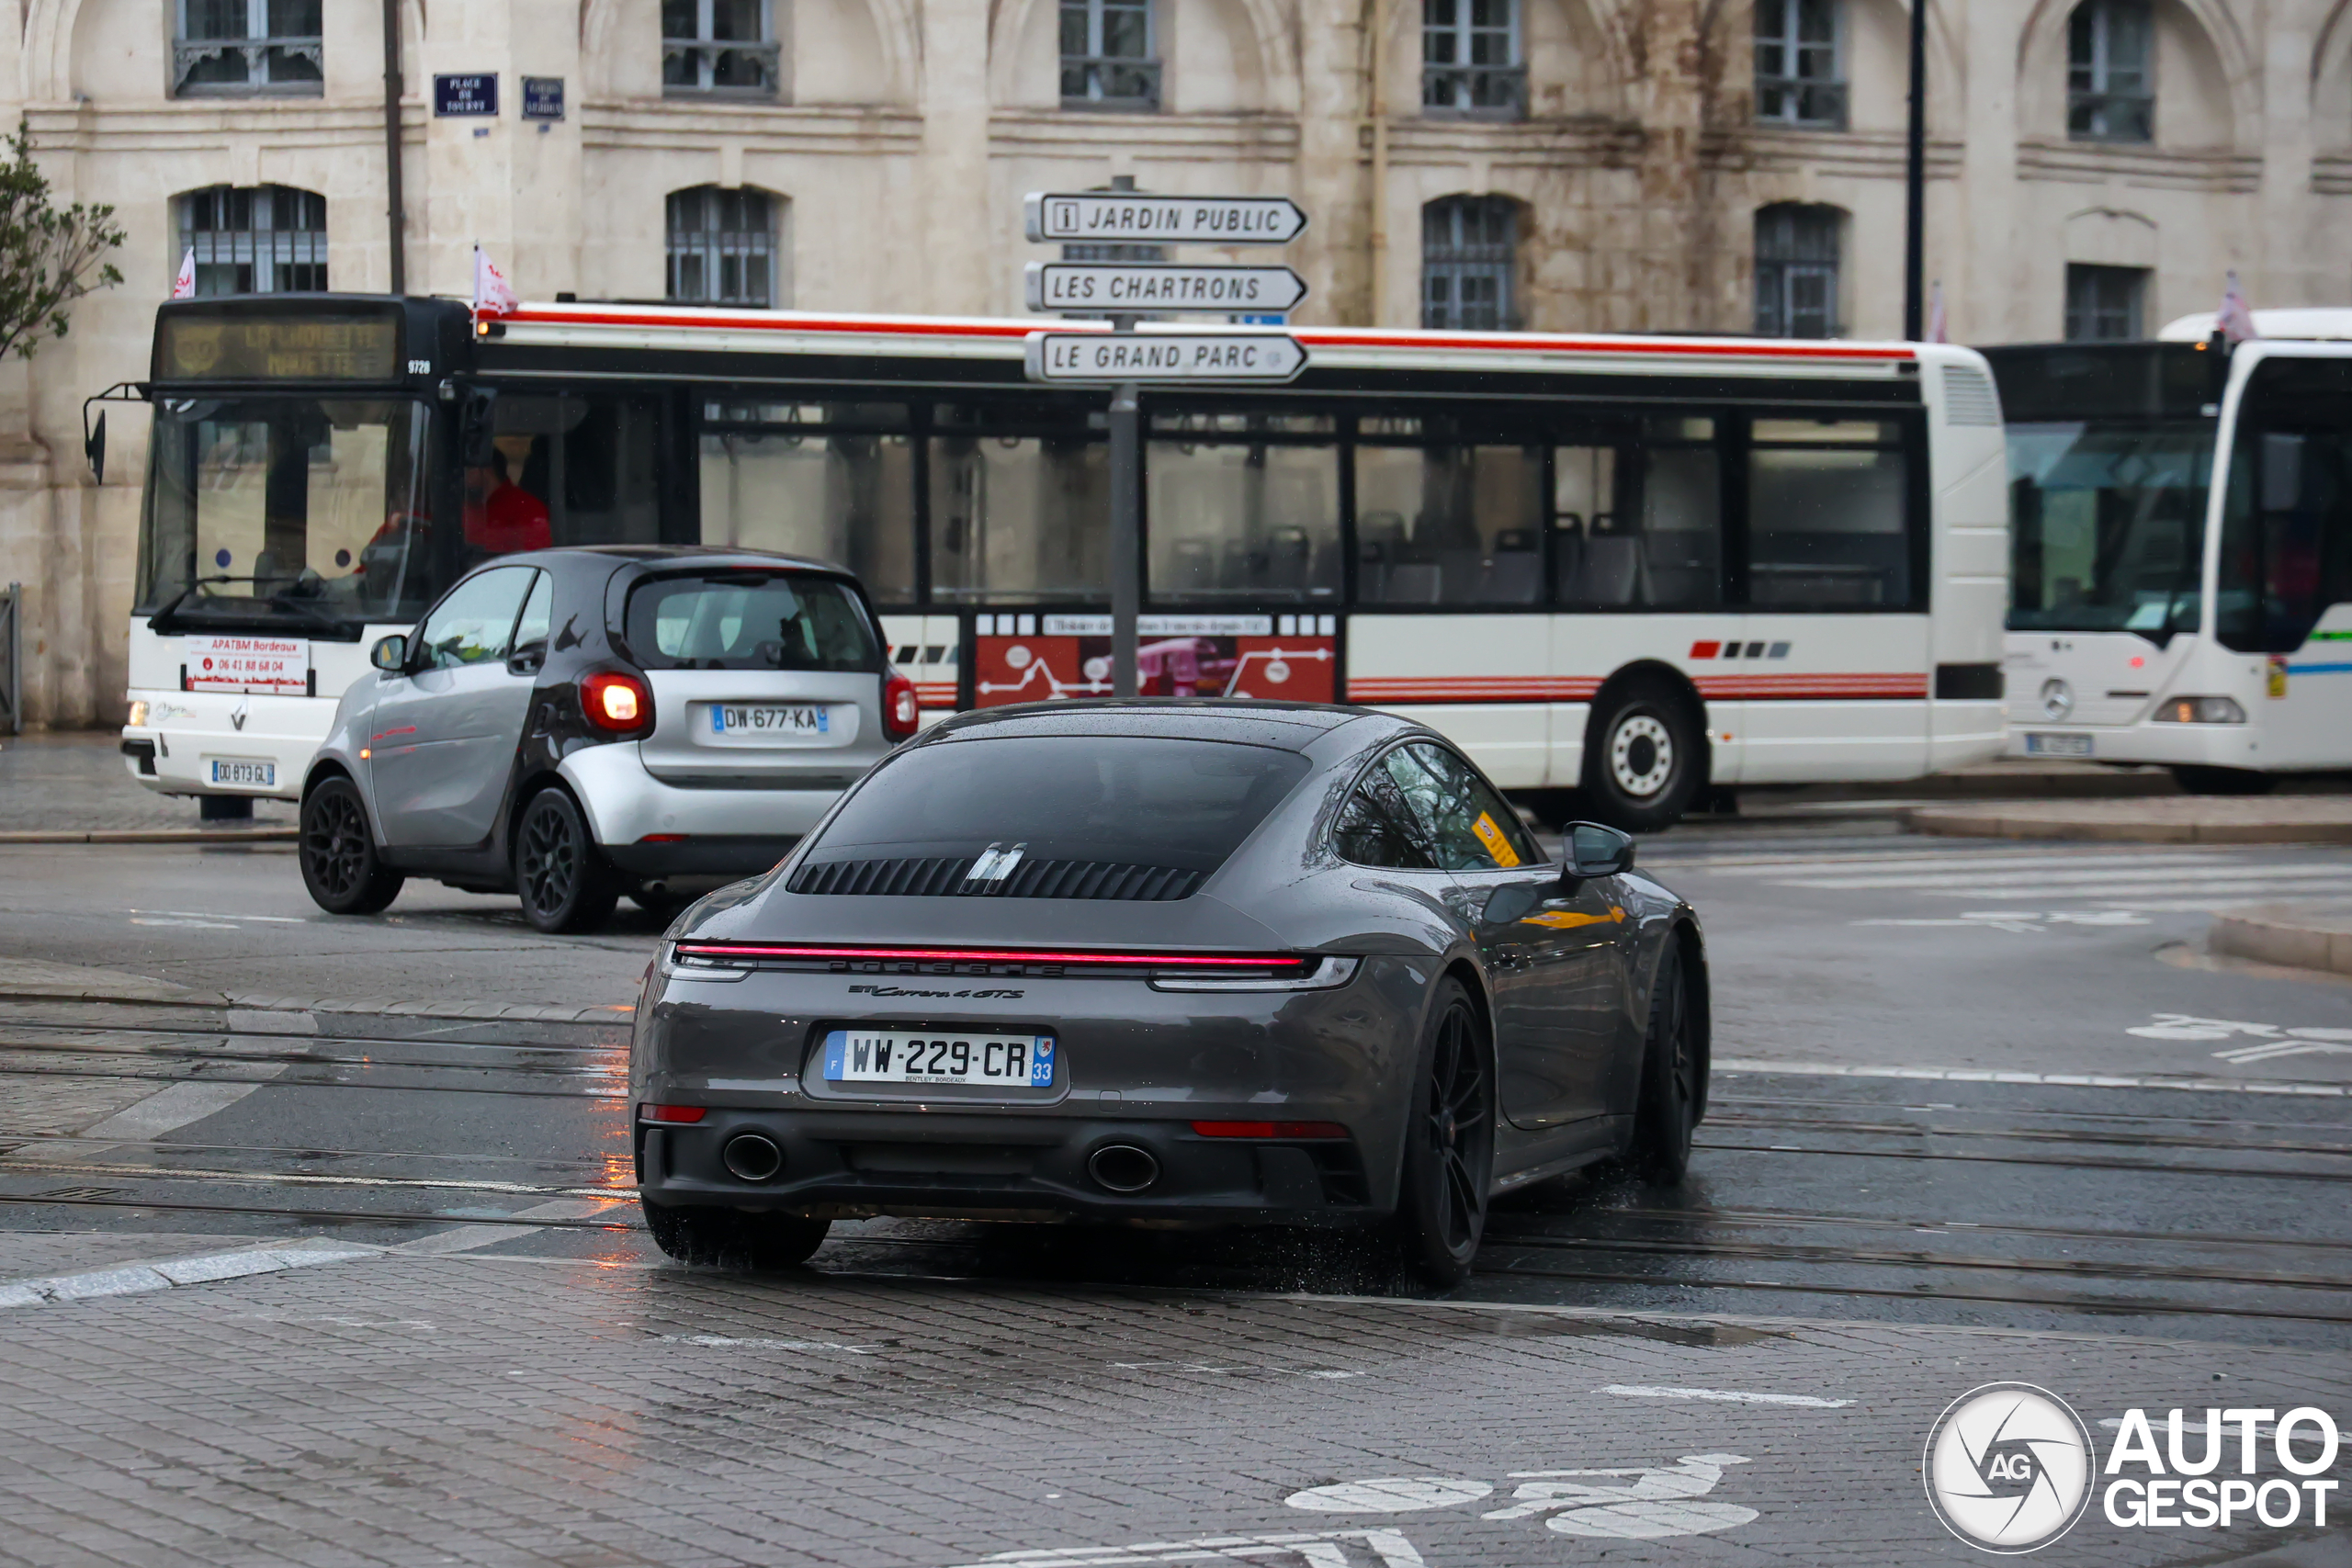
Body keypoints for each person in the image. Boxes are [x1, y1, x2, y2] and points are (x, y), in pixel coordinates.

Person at [464, 446, 552, 554]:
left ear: (486, 470)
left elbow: (534, 558)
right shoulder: (461, 507)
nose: (461, 476)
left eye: (466, 470)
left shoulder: (527, 508)